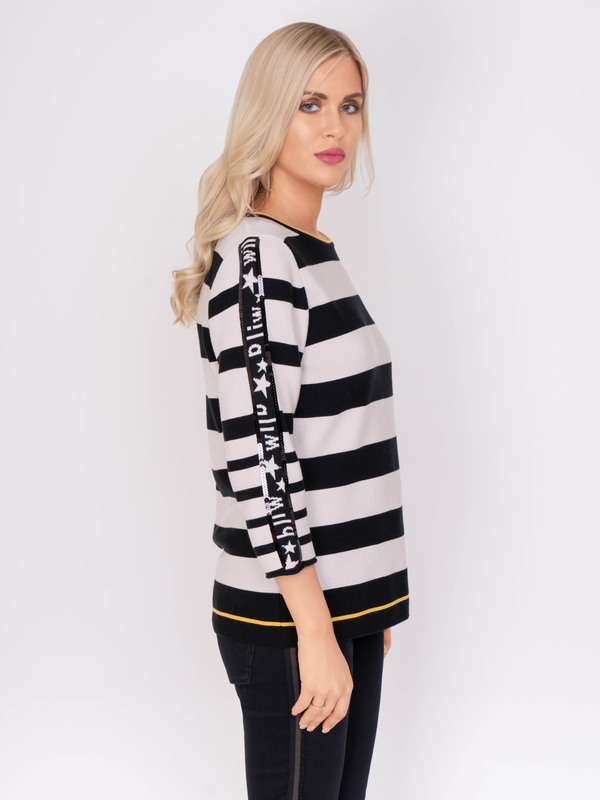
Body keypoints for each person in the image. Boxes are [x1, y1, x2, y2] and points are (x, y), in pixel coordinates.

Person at [171, 21, 409, 800]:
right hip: (290, 620)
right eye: (310, 104)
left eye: (350, 105)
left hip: (343, 610)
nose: (335, 126)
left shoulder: (311, 252)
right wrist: (314, 627)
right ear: (269, 112)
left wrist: (361, 609)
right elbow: (261, 453)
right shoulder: (261, 259)